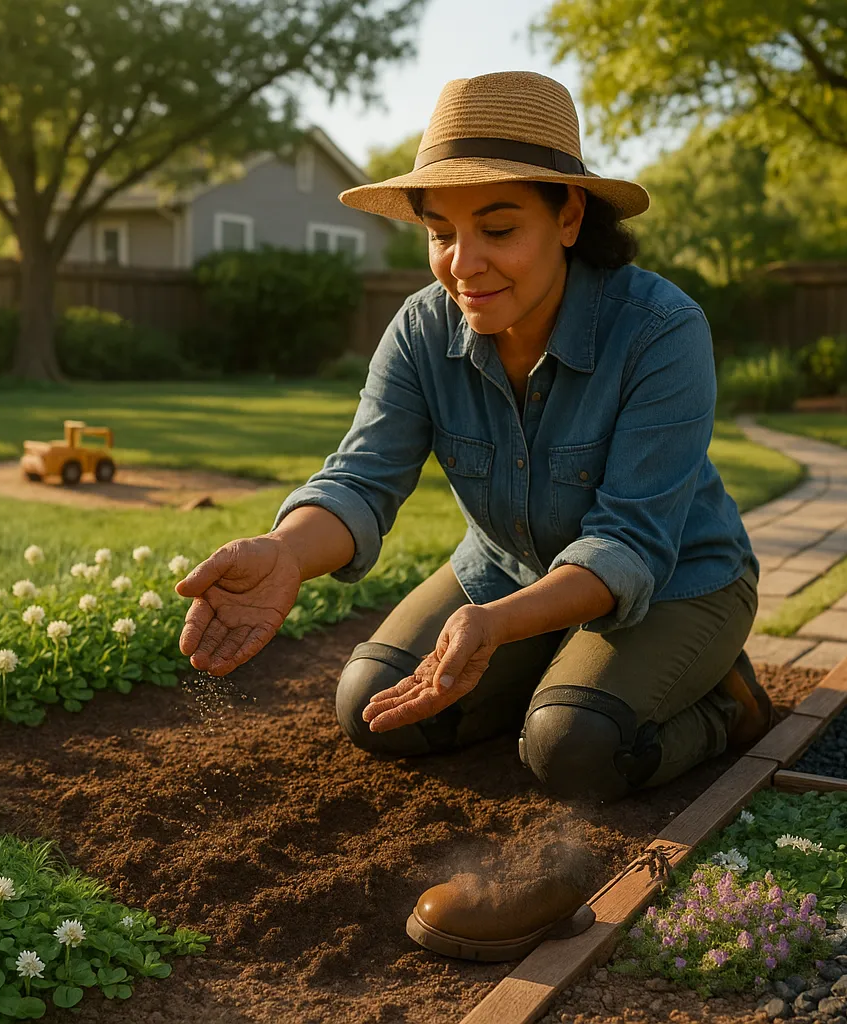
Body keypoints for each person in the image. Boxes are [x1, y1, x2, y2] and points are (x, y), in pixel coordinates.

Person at [174, 70, 772, 960]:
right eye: (440, 233)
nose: (464, 262)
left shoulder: (660, 330)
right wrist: (286, 555)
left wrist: (494, 624)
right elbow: (362, 477)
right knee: (371, 706)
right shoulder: (422, 330)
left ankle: (724, 707)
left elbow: (632, 541)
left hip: (682, 580)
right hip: (504, 571)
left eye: (498, 228)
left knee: (573, 748)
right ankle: (561, 674)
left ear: (568, 218)